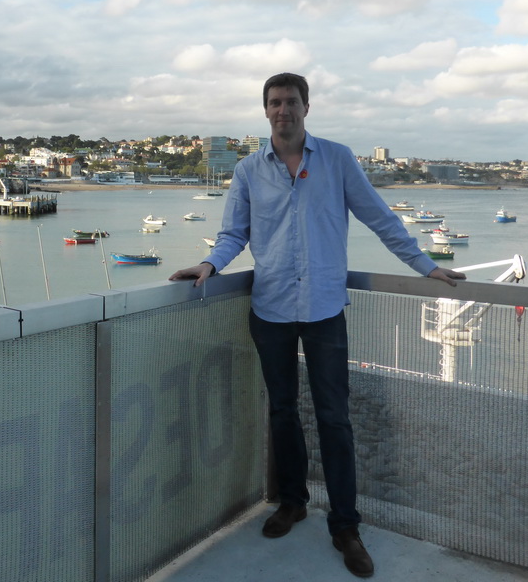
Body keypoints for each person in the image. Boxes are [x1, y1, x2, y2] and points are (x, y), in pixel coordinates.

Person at [169, 72, 465, 578]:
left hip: (325, 308)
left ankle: (346, 526)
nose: (283, 110)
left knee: (335, 418)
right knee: (282, 411)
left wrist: (425, 266)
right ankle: (292, 501)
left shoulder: (339, 159)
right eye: (274, 103)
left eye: (291, 102)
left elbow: (381, 218)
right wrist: (209, 266)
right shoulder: (246, 171)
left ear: (307, 106)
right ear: (265, 111)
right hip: (271, 310)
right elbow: (232, 234)